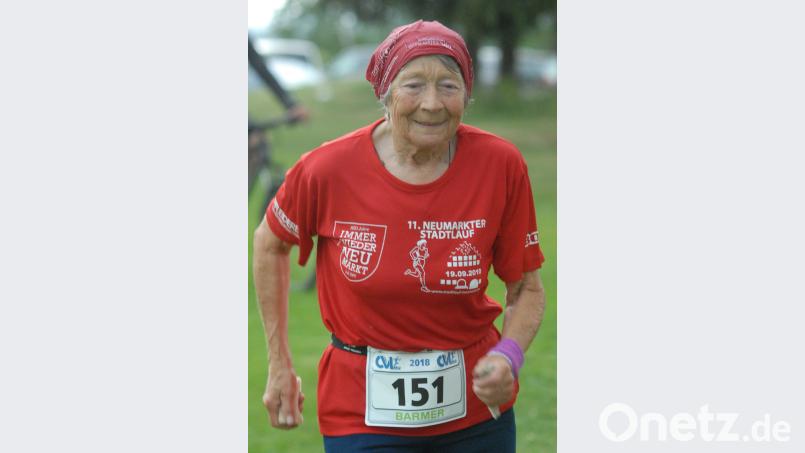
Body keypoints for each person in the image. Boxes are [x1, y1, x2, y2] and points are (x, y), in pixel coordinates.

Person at [253, 20, 546, 452]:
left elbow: (527, 289)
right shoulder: (327, 170)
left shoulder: (500, 165)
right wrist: (279, 364)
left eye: (449, 86)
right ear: (385, 96)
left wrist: (509, 356)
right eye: (413, 85)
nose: (432, 103)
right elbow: (270, 242)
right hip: (361, 415)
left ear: (467, 95)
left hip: (477, 414)